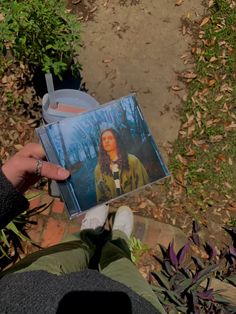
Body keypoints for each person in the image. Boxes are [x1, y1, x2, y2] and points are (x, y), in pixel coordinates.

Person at [0, 143, 166, 314]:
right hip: (137, 306)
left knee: (73, 247)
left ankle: (89, 234)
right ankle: (118, 240)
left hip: (24, 286)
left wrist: (3, 192)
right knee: (120, 262)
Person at [95, 128, 149, 203]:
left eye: (110, 138)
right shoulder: (99, 169)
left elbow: (144, 185)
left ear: (117, 140)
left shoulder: (132, 161)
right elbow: (100, 198)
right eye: (103, 139)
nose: (106, 141)